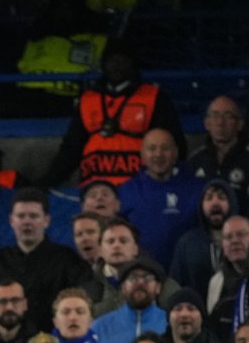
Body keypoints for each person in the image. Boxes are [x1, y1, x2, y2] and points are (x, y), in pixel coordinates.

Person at [39, 37, 183, 188]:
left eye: (123, 60)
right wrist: (48, 182)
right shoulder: (88, 99)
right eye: (112, 60)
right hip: (95, 192)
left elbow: (174, 145)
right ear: (104, 63)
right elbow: (71, 150)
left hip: (140, 190)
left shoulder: (155, 97)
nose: (117, 66)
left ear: (133, 64)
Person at [0, 187, 88, 329]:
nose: (27, 222)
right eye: (21, 216)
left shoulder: (67, 259)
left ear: (46, 220)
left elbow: (87, 293)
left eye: (33, 216)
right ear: (11, 220)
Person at [116, 128, 204, 265]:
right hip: (141, 274)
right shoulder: (126, 190)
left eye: (165, 148)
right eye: (152, 148)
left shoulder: (197, 188)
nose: (158, 154)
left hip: (188, 274)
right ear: (142, 154)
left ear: (175, 153)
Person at [170, 179, 238, 301]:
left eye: (222, 198)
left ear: (232, 203)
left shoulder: (244, 241)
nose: (215, 203)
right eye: (209, 198)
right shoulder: (187, 243)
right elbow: (175, 287)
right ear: (201, 205)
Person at [91, 255, 169, 343]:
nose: (140, 283)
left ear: (158, 288)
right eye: (133, 278)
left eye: (148, 277)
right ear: (122, 287)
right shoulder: (99, 327)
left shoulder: (170, 324)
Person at [186, 96, 248, 204]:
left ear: (240, 124)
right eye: (215, 115)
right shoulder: (194, 161)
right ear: (207, 123)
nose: (220, 122)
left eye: (228, 116)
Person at [51, 286, 121, 343]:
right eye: (66, 312)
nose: (72, 318)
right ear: (55, 322)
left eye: (80, 312)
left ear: (90, 321)